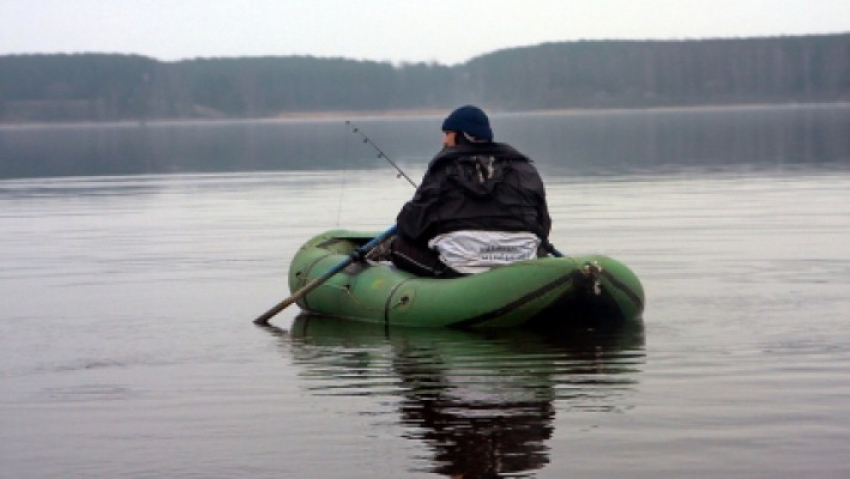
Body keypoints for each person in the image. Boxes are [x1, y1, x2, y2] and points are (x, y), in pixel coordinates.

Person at [390, 105, 552, 277]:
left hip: (459, 269)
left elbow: (410, 226)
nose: (444, 141)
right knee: (540, 248)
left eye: (448, 134)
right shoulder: (525, 169)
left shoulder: (442, 169)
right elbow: (543, 225)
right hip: (521, 264)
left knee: (398, 246)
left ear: (462, 136)